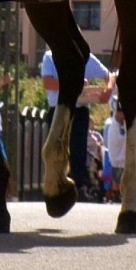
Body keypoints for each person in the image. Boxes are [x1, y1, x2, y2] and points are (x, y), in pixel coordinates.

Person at [41, 46, 111, 198]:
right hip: (58, 107)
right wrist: (74, 84)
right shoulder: (50, 56)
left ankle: (78, 186)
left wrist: (108, 91)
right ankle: (55, 185)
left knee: (78, 149)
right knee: (56, 148)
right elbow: (47, 82)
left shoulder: (85, 57)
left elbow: (108, 76)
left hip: (79, 109)